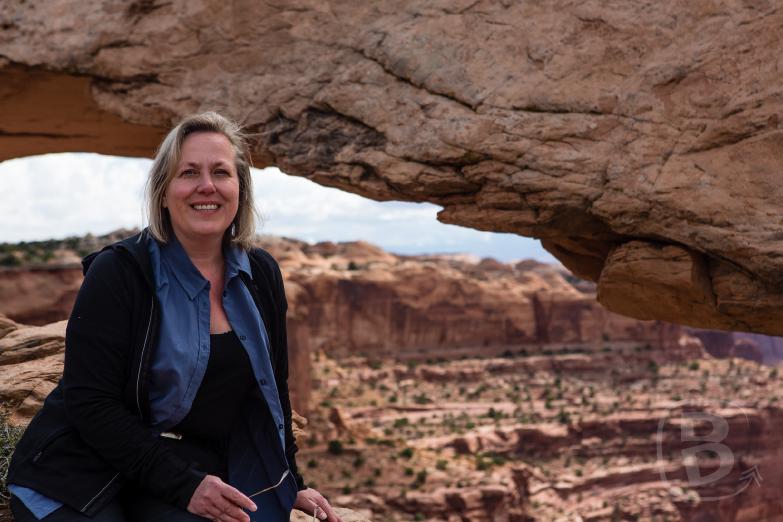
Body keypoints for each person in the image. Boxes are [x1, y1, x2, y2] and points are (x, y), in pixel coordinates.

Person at [8, 112, 342, 522]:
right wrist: (186, 487)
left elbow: (272, 390)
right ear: (164, 192)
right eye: (188, 173)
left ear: (240, 189)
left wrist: (289, 481)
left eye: (221, 172)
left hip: (184, 465)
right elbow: (90, 404)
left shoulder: (261, 274)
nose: (207, 186)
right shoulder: (121, 272)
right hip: (88, 465)